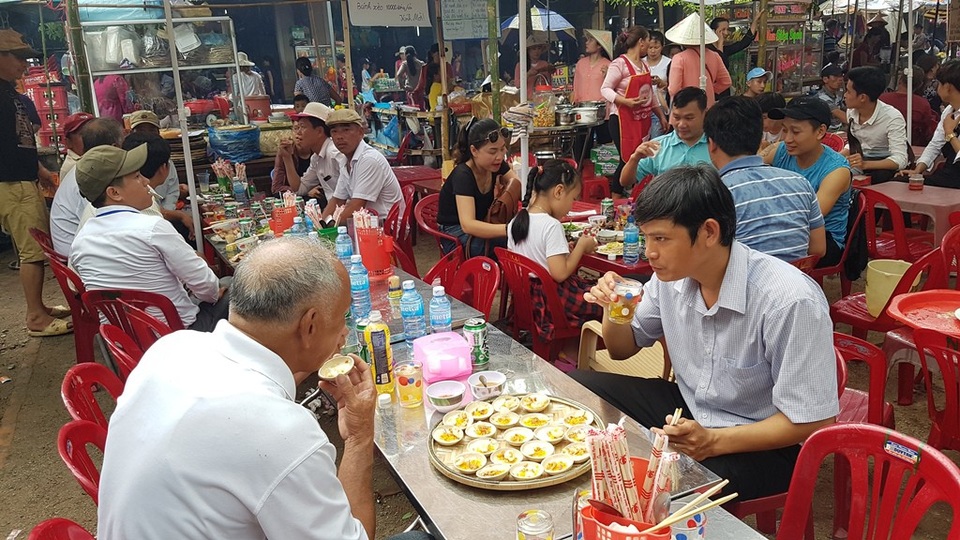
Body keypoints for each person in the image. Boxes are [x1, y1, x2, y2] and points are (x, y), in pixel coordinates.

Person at [97, 237, 432, 540]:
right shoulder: (281, 431)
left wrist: (303, 363)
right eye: (342, 319)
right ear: (310, 325)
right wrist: (359, 439)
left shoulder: (172, 349)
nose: (344, 334)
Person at [571, 165, 838, 501]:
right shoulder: (671, 279)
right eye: (646, 237)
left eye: (662, 239)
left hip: (765, 442)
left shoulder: (788, 300)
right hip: (691, 408)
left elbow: (813, 421)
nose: (649, 252)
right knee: (579, 390)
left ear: (710, 232)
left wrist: (712, 441)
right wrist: (615, 308)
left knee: (664, 488)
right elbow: (621, 349)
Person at [70, 144, 226, 330]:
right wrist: (214, 292)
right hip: (177, 336)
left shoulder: (80, 241)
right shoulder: (151, 228)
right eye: (136, 177)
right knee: (236, 287)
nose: (146, 181)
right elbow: (206, 286)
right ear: (114, 193)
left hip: (125, 341)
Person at [0, 29, 71, 337]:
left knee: (36, 246)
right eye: (18, 57)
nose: (24, 65)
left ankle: (39, 309)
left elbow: (19, 141)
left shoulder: (11, 94)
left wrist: (39, 168)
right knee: (33, 251)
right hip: (10, 182)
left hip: (23, 177)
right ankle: (35, 318)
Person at [705, 96, 826, 261]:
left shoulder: (713, 193)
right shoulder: (801, 183)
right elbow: (818, 249)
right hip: (796, 281)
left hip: (741, 284)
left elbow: (707, 258)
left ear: (712, 144)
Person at [508, 160, 600, 357]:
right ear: (558, 191)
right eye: (573, 199)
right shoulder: (551, 225)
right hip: (551, 302)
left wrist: (567, 250)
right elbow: (559, 274)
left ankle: (567, 353)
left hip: (526, 300)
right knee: (602, 301)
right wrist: (582, 246)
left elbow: (535, 255)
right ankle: (579, 355)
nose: (571, 206)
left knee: (592, 288)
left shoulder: (517, 221)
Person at [762, 96, 852, 268]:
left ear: (820, 132)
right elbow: (749, 168)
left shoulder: (836, 171)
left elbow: (809, 217)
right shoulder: (781, 150)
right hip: (784, 227)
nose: (787, 138)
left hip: (824, 239)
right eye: (784, 130)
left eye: (795, 132)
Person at [436, 118, 522, 257]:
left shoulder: (497, 165)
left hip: (481, 224)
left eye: (502, 149)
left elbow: (518, 186)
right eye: (493, 151)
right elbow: (468, 225)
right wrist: (510, 229)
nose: (499, 156)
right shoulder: (463, 175)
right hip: (454, 233)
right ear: (474, 151)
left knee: (522, 241)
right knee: (505, 246)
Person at [600, 26, 667, 194]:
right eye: (648, 40)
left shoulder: (644, 66)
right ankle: (615, 199)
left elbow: (649, 95)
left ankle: (634, 195)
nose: (649, 44)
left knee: (640, 159)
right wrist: (625, 101)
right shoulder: (619, 63)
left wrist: (661, 116)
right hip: (622, 120)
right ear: (641, 42)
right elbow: (605, 89)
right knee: (627, 159)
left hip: (641, 119)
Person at [50, 118, 124, 256]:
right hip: (78, 255)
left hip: (80, 247)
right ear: (115, 147)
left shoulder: (90, 168)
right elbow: (102, 224)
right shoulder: (91, 174)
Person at [320, 109, 402, 224]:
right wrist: (321, 225)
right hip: (367, 223)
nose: (339, 137)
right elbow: (337, 200)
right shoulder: (345, 160)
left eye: (346, 130)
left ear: (360, 132)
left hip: (386, 226)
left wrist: (330, 227)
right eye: (334, 132)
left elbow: (356, 207)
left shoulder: (369, 159)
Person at [620, 87, 711, 190]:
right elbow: (625, 181)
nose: (681, 124)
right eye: (676, 117)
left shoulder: (716, 146)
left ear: (705, 113)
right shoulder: (658, 145)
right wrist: (634, 158)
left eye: (689, 118)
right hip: (667, 205)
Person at [843, 66, 908, 184]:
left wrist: (866, 164)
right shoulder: (852, 112)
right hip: (859, 167)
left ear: (862, 97)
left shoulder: (892, 117)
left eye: (848, 91)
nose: (845, 95)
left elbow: (900, 159)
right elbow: (857, 142)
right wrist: (837, 157)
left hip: (882, 173)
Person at [902, 59, 960, 188]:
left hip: (956, 181)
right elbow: (935, 145)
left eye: (939, 83)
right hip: (948, 175)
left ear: (948, 87)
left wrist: (950, 134)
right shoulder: (949, 111)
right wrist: (918, 169)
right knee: (900, 181)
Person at [665, 14, 731, 107]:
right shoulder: (715, 56)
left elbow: (674, 89)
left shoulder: (679, 58)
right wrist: (710, 90)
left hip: (685, 106)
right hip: (708, 104)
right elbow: (726, 81)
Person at [286, 102, 340, 206]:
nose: (298, 133)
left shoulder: (335, 154)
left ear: (319, 131)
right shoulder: (316, 158)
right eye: (297, 128)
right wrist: (287, 157)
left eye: (303, 127)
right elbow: (299, 189)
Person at [129, 110, 181, 211]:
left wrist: (167, 213)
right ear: (131, 133)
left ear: (158, 132)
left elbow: (172, 192)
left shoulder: (165, 160)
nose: (146, 134)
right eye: (140, 130)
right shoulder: (129, 162)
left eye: (151, 130)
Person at [879, 67, 937, 147]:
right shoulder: (922, 104)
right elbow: (927, 130)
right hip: (912, 145)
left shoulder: (881, 99)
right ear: (920, 84)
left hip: (882, 143)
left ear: (900, 80)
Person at [644, 31, 670, 139]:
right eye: (650, 47)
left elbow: (673, 85)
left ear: (662, 47)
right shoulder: (641, 62)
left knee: (656, 140)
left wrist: (661, 83)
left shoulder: (668, 62)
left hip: (660, 106)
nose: (653, 51)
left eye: (656, 47)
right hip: (643, 107)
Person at [816, 63, 847, 131]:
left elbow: (844, 108)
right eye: (835, 76)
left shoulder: (838, 93)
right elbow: (844, 118)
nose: (840, 79)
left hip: (840, 128)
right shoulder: (822, 97)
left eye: (841, 76)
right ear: (825, 79)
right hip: (829, 132)